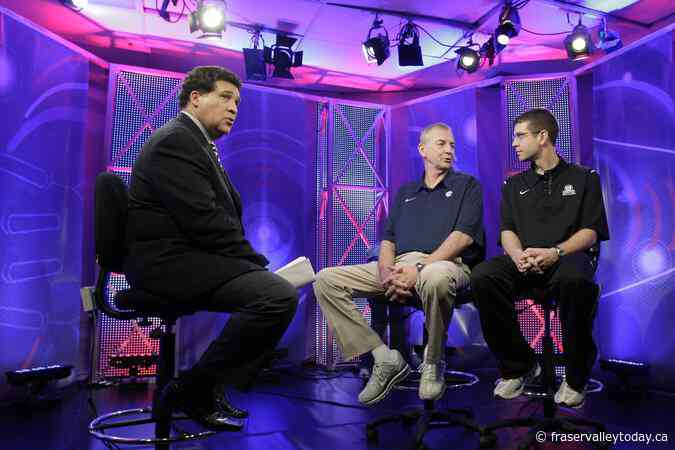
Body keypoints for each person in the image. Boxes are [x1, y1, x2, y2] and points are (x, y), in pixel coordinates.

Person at [124, 66, 298, 430]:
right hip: (167, 265)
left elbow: (214, 217)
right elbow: (204, 220)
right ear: (196, 97)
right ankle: (196, 388)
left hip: (189, 259)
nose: (234, 107)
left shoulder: (198, 143)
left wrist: (249, 263)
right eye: (225, 97)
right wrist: (252, 261)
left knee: (274, 292)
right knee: (275, 296)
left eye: (237, 101)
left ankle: (208, 386)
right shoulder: (176, 141)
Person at [313, 123, 484, 405]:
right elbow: (388, 242)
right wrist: (386, 275)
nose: (449, 150)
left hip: (446, 264)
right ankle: (383, 357)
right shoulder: (406, 192)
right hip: (399, 266)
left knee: (436, 275)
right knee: (326, 280)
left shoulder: (467, 185)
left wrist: (416, 270)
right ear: (423, 150)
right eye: (441, 144)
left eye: (452, 145)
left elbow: (463, 237)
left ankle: (432, 362)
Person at [470, 108, 609, 408]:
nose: (514, 144)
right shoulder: (513, 184)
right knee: (483, 276)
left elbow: (591, 232)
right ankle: (519, 366)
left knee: (575, 280)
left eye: (520, 136)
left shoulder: (585, 178)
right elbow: (507, 231)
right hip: (526, 262)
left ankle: (575, 377)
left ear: (543, 137)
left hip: (567, 258)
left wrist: (555, 252)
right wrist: (518, 255)